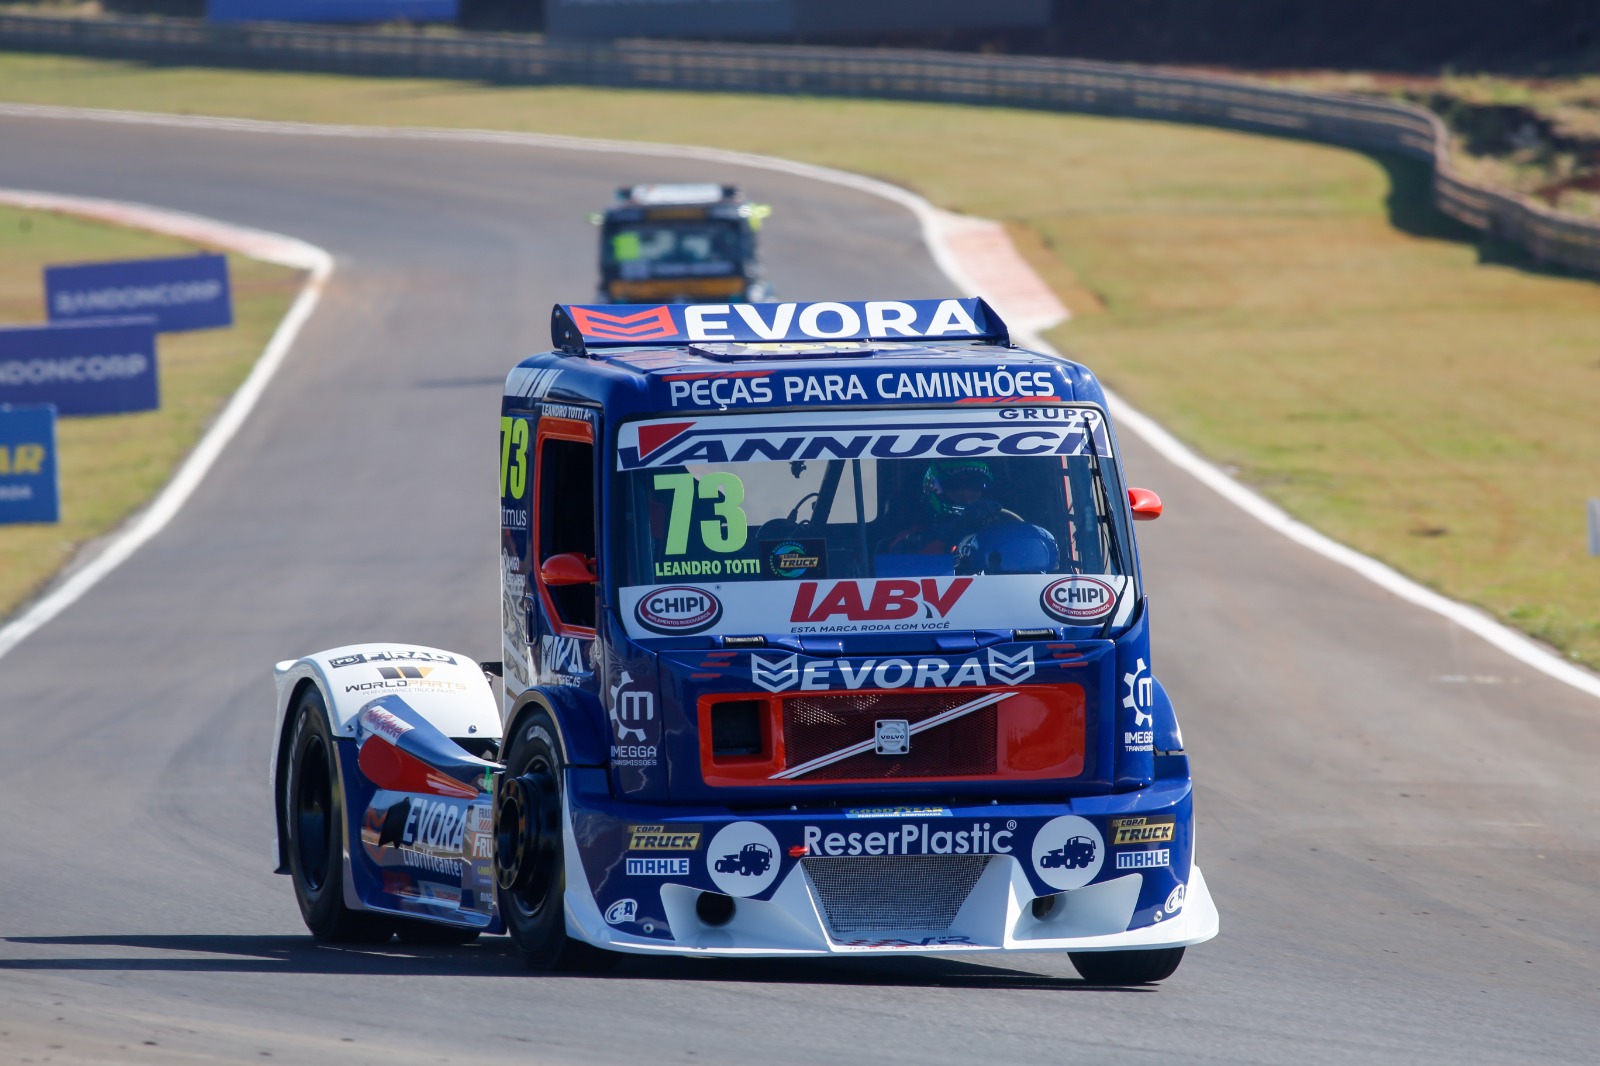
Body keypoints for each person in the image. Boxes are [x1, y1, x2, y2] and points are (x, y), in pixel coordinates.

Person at [885, 459, 1021, 555]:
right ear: (933, 490)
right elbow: (905, 565)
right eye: (955, 486)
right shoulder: (913, 537)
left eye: (975, 486)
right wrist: (955, 532)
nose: (967, 493)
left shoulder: (1004, 528)